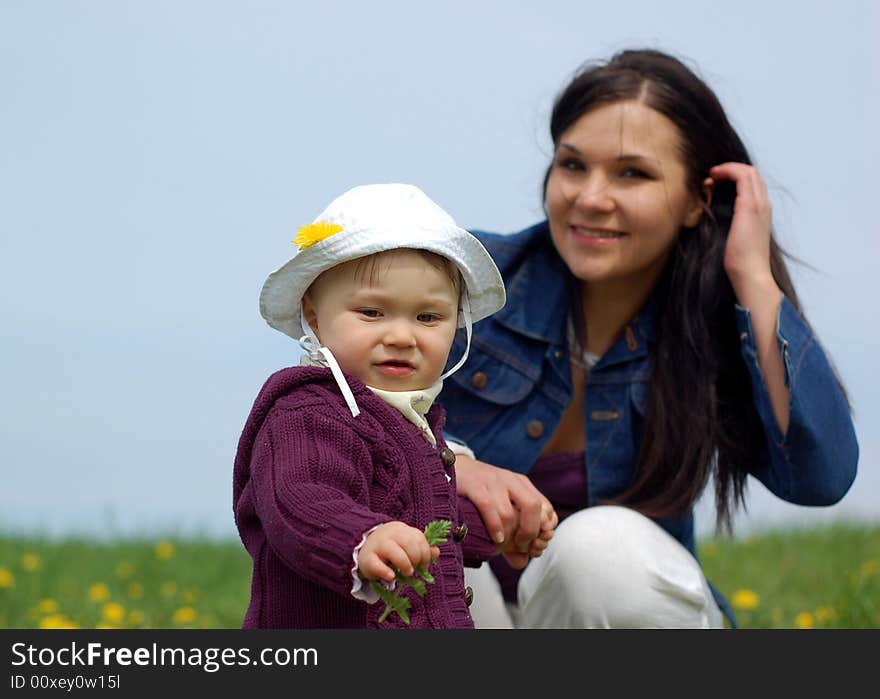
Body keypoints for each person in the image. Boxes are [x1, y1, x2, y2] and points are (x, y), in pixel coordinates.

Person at [438, 49, 859, 628]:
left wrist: (755, 281)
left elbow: (819, 478)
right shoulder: (467, 282)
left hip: (624, 621)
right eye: (573, 165)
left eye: (632, 173)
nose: (590, 197)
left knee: (598, 549)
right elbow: (328, 425)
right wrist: (445, 462)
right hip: (475, 619)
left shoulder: (709, 329)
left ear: (696, 201)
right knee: (416, 533)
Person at [232, 183, 555, 629]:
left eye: (428, 317)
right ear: (313, 315)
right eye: (371, 312)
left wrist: (496, 530)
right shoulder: (306, 413)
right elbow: (301, 502)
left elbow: (425, 516)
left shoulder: (411, 421)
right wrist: (361, 540)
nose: (402, 336)